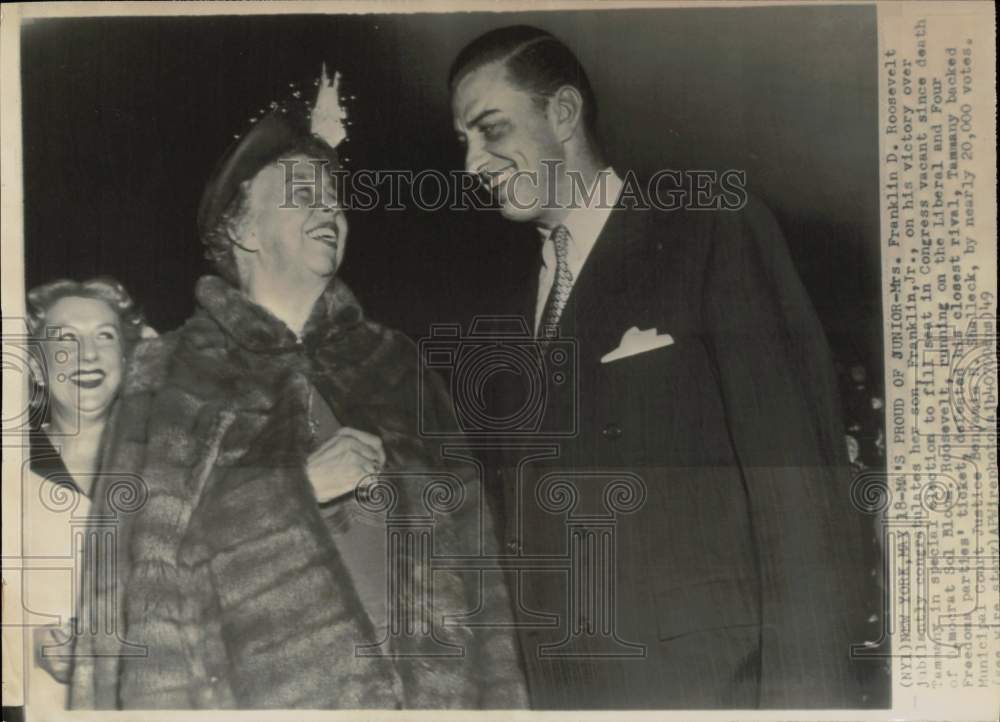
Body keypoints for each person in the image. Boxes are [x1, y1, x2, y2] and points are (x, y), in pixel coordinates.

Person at [448, 25, 886, 709]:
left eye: (490, 129)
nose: (473, 161)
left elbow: (802, 501)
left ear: (563, 114)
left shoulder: (708, 230)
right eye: (463, 142)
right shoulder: (501, 315)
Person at [68, 69, 526, 709]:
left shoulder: (396, 366)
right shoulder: (169, 377)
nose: (329, 210)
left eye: (334, 198)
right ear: (243, 232)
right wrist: (296, 491)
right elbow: (134, 593)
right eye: (301, 195)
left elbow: (482, 585)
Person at [20, 278, 149, 716]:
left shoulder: (168, 467)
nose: (88, 354)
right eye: (65, 339)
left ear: (128, 359)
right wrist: (32, 641)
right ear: (36, 367)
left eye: (105, 336)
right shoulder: (9, 471)